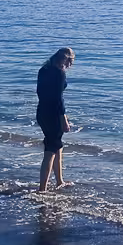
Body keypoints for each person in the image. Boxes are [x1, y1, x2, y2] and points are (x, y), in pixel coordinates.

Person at [36, 47, 74, 191]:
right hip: (53, 115)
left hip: (42, 112)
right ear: (67, 60)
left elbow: (40, 93)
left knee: (57, 145)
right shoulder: (59, 74)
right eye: (71, 62)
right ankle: (42, 189)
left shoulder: (43, 70)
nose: (71, 65)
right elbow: (58, 99)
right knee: (51, 149)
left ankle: (59, 181)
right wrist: (63, 119)